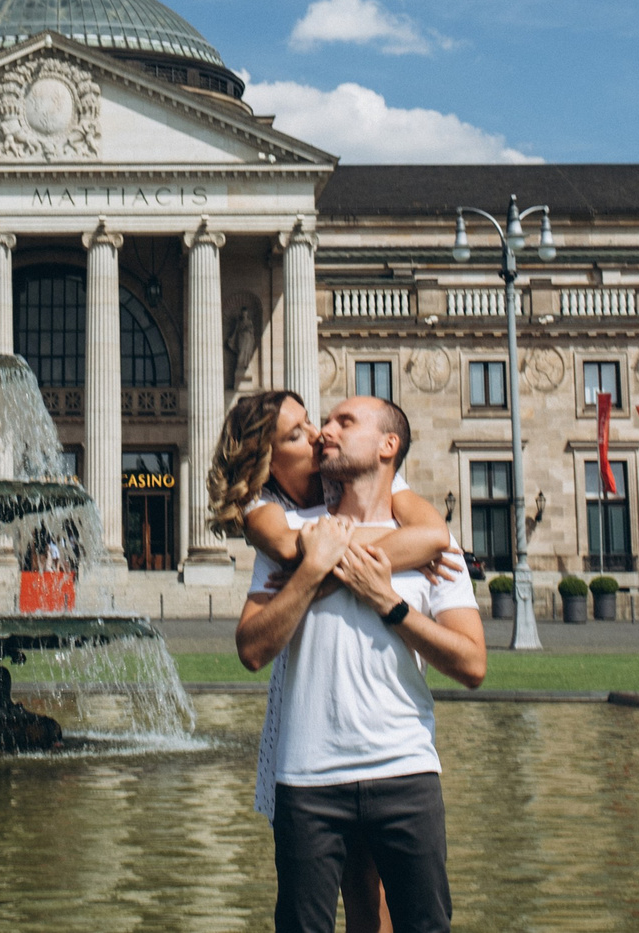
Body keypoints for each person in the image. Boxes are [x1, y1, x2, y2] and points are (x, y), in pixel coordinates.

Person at [209, 389, 470, 933]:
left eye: (320, 422)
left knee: (386, 907)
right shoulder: (268, 515)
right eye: (298, 433)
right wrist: (390, 553)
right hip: (310, 756)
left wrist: (337, 561)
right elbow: (290, 557)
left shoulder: (380, 491)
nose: (320, 433)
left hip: (396, 762)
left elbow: (434, 535)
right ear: (268, 459)